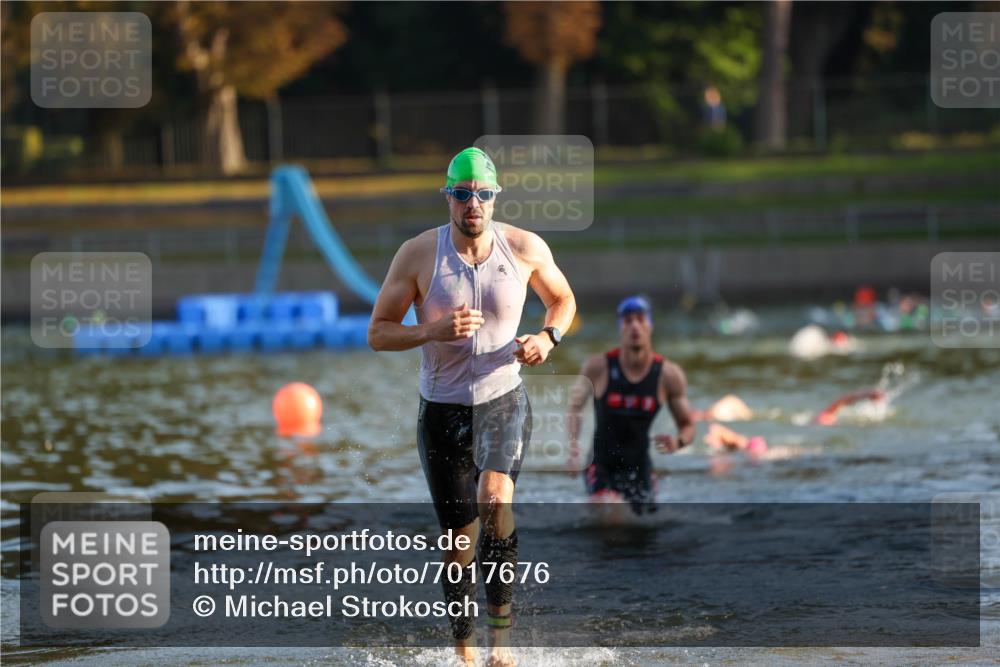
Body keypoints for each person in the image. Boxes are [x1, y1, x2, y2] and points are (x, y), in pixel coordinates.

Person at [368, 147, 576, 667]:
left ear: (494, 197)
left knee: (495, 496)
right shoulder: (418, 255)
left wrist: (548, 338)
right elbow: (377, 332)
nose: (472, 204)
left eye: (482, 194)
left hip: (503, 397)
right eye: (462, 194)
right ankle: (464, 654)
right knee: (459, 541)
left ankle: (500, 647)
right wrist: (431, 331)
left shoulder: (524, 247)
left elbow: (564, 300)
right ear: (448, 198)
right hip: (441, 409)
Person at [566, 296, 695, 515]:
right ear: (621, 328)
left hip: (640, 467)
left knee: (643, 528)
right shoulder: (598, 367)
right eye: (628, 320)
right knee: (609, 509)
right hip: (601, 465)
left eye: (640, 319)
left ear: (650, 325)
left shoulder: (668, 375)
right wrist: (573, 447)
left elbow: (687, 424)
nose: (634, 325)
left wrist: (678, 441)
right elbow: (574, 408)